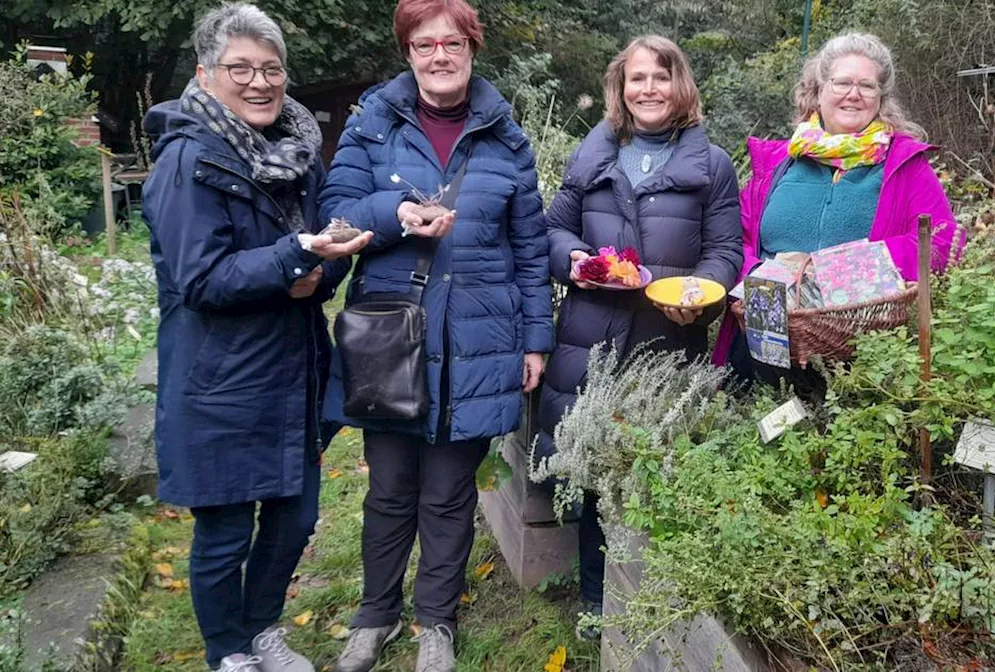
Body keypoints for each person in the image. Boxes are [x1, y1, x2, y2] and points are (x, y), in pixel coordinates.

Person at [318, 0, 553, 669]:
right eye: (425, 45)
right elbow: (335, 218)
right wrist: (393, 215)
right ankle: (375, 614)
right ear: (408, 53)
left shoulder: (507, 139)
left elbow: (530, 248)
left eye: (452, 42)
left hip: (479, 341)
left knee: (450, 493)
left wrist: (535, 338)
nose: (439, 55)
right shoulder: (374, 127)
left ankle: (437, 622)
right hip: (392, 338)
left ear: (473, 48)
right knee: (390, 488)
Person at [142, 4, 371, 672]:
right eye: (239, 68)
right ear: (205, 75)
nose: (259, 81)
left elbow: (322, 250)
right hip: (222, 378)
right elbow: (201, 280)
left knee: (295, 519)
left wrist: (321, 268)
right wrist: (298, 256)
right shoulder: (189, 162)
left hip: (292, 368)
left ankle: (264, 627)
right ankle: (228, 651)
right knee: (226, 532)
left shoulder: (295, 152)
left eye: (271, 68)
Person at [535, 35, 743, 632]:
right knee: (592, 466)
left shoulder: (713, 166)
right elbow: (554, 229)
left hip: (664, 342)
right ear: (619, 89)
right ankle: (596, 604)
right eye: (636, 79)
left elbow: (725, 251)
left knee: (655, 468)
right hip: (589, 336)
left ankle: (651, 605)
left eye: (660, 77)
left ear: (682, 87)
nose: (648, 89)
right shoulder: (592, 153)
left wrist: (698, 295)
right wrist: (574, 259)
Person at [710, 32, 964, 377]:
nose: (854, 94)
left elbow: (944, 241)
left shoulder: (905, 165)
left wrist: (834, 270)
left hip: (861, 353)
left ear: (881, 98)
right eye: (842, 82)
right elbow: (732, 242)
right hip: (763, 340)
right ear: (819, 89)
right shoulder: (777, 164)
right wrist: (760, 278)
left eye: (867, 86)